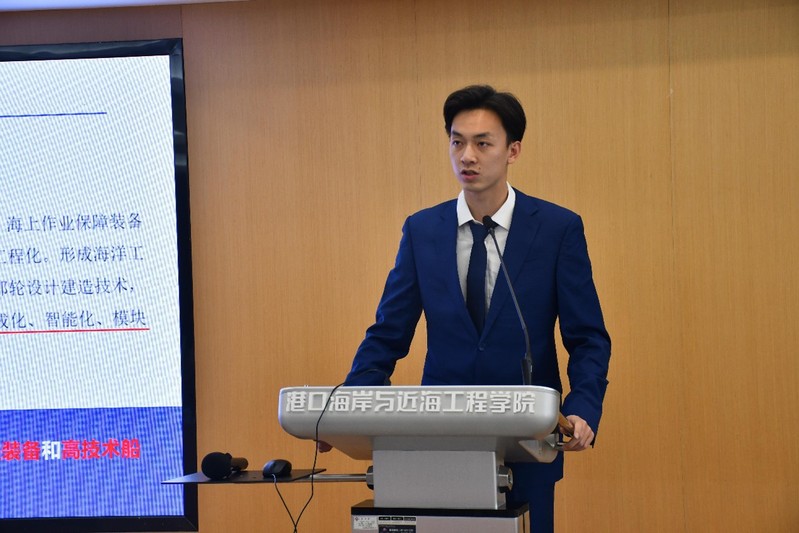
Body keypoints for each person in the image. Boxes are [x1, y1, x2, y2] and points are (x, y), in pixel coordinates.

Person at [333, 85, 611, 532]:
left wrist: (583, 406)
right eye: (457, 142)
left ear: (512, 150)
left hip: (529, 442)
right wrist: (349, 410)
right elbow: (388, 333)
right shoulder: (423, 230)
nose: (467, 156)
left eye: (483, 143)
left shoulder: (557, 229)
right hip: (439, 442)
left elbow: (588, 336)